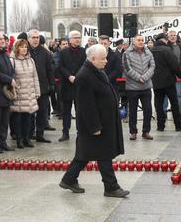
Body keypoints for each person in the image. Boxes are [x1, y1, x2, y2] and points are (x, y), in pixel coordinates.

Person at [59, 44, 129, 198]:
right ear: (92, 59)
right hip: (95, 124)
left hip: (102, 121)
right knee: (104, 154)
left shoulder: (97, 71)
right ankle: (111, 187)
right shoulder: (84, 76)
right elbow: (85, 105)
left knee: (85, 154)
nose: (106, 61)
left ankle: (69, 179)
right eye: (103, 58)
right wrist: (94, 126)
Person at [151, 33, 181, 132]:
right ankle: (178, 125)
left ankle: (160, 126)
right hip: (168, 81)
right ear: (164, 40)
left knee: (158, 104)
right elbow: (175, 65)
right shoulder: (167, 50)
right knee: (174, 103)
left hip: (156, 82)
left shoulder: (151, 50)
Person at [122, 34, 155, 140]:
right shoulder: (127, 53)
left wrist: (144, 77)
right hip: (132, 87)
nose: (141, 42)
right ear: (133, 41)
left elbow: (152, 66)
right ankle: (133, 132)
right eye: (138, 40)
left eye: (142, 40)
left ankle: (146, 131)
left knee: (148, 110)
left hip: (146, 87)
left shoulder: (148, 52)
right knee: (132, 111)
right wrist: (138, 78)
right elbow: (127, 68)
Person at [10, 39, 40, 149]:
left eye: (25, 47)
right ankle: (19, 140)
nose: (24, 49)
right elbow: (11, 77)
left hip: (30, 93)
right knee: (18, 118)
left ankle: (27, 138)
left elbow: (35, 77)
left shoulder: (31, 60)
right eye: (21, 47)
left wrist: (37, 91)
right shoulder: (12, 60)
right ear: (17, 48)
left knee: (29, 118)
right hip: (18, 93)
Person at [28, 29, 55, 143]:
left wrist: (51, 84)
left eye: (37, 37)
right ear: (28, 38)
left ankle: (40, 134)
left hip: (43, 87)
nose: (35, 40)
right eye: (33, 37)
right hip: (28, 87)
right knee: (29, 113)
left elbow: (50, 69)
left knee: (42, 112)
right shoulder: (25, 50)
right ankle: (28, 135)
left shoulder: (45, 52)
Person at [59, 30, 86, 141]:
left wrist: (78, 76)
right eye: (75, 37)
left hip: (79, 85)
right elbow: (60, 67)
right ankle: (65, 133)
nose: (77, 39)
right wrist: (69, 76)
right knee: (66, 111)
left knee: (80, 111)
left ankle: (81, 132)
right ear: (70, 40)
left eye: (79, 37)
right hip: (67, 85)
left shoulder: (84, 51)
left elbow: (86, 66)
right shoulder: (63, 52)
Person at [167, 30, 181, 114]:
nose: (173, 37)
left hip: (179, 74)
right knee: (167, 95)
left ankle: (178, 112)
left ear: (176, 36)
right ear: (168, 37)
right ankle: (164, 113)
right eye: (171, 35)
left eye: (174, 35)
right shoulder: (166, 47)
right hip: (168, 75)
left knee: (178, 95)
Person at [52, 37, 69, 117]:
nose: (65, 46)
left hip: (67, 78)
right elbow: (56, 67)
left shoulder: (68, 53)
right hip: (59, 79)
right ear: (60, 45)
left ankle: (62, 112)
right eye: (63, 44)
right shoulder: (56, 54)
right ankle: (62, 113)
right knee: (61, 96)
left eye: (66, 44)